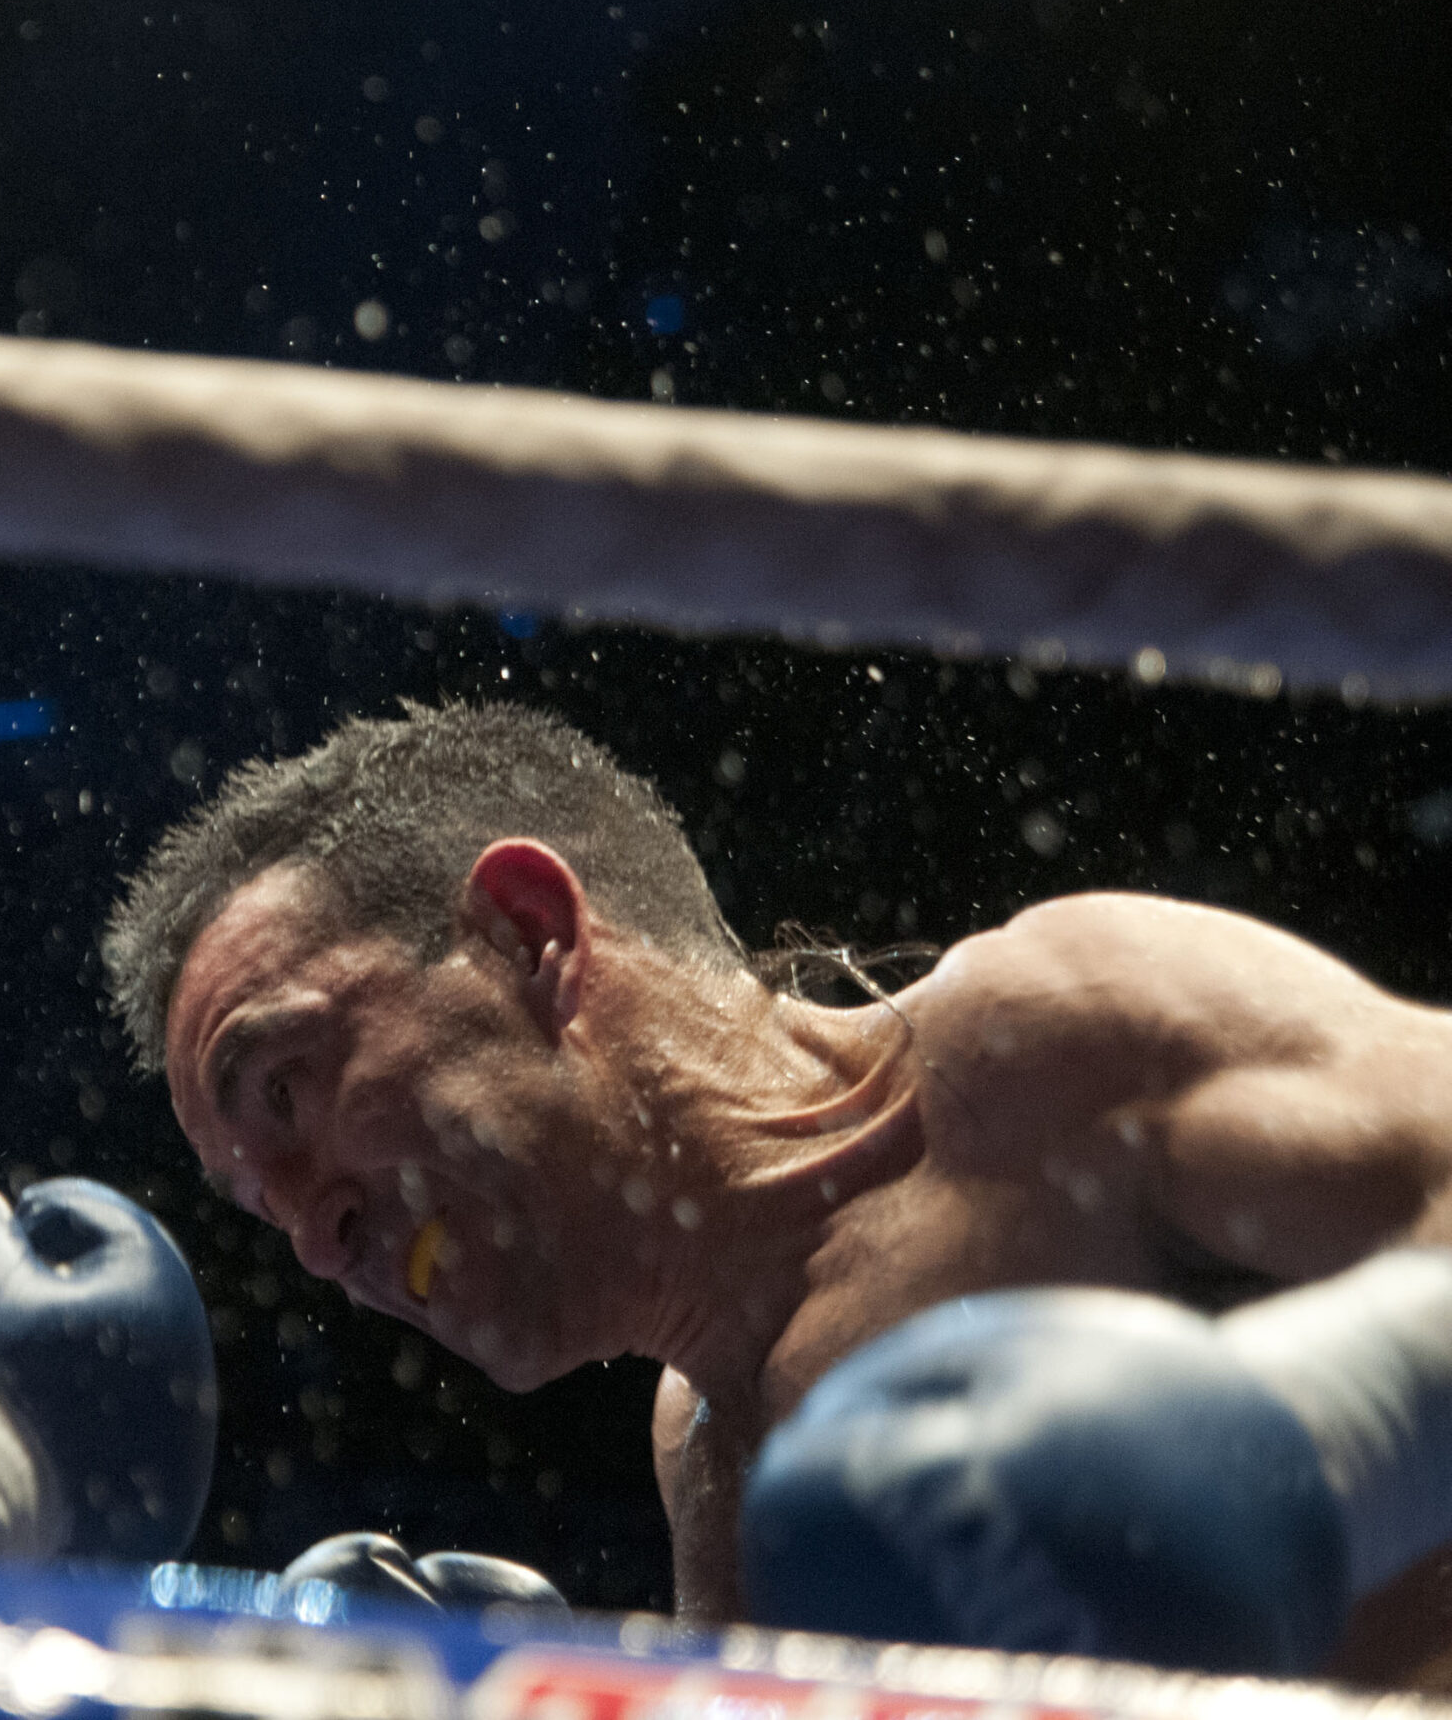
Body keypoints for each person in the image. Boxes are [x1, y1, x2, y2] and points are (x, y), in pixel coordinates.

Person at [102, 699, 1452, 1683]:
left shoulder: (1044, 1050)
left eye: (286, 1093)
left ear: (526, 934)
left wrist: (1314, 1437)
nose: (314, 1234)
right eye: (258, 1202)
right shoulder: (701, 1438)